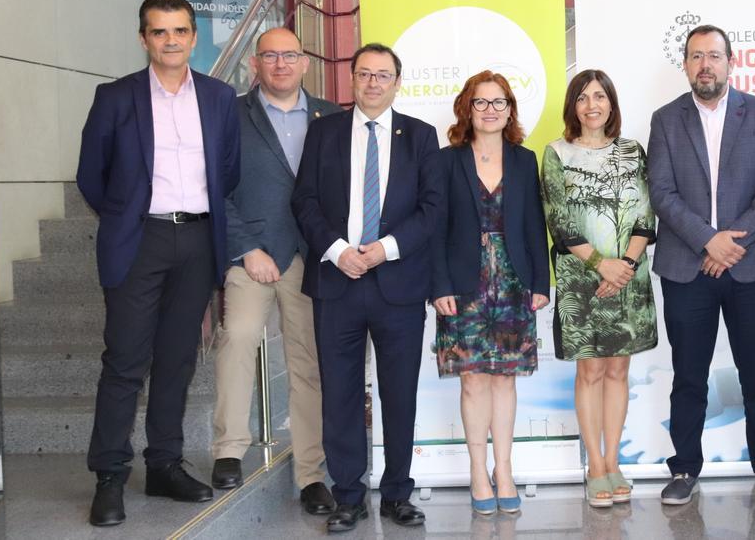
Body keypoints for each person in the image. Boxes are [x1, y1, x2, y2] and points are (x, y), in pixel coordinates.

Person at [77, 0, 241, 527]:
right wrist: (128, 216)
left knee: (177, 359)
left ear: (194, 37)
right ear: (144, 38)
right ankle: (109, 476)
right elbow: (92, 176)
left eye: (179, 31)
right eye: (158, 32)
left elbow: (229, 171)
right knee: (125, 360)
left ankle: (165, 464)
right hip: (139, 239)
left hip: (197, 240)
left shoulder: (219, 98)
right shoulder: (115, 97)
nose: (170, 40)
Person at [291, 42, 441, 532]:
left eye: (383, 75)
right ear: (351, 80)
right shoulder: (323, 132)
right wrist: (338, 251)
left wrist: (385, 249)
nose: (373, 83)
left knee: (399, 395)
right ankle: (348, 496)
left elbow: (433, 210)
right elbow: (305, 202)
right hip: (338, 282)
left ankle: (398, 492)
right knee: (340, 394)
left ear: (398, 82)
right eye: (364, 74)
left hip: (397, 283)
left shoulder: (421, 136)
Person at [647, 24, 755, 505]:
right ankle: (684, 468)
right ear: (685, 65)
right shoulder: (666, 119)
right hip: (687, 267)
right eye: (696, 56)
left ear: (731, 62)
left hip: (751, 267)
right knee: (689, 373)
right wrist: (709, 242)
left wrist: (731, 244)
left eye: (714, 55)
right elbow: (662, 193)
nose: (705, 64)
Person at [209, 27, 340, 516]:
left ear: (305, 62)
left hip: (313, 257)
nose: (281, 64)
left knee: (308, 363)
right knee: (238, 336)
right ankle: (228, 450)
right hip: (253, 255)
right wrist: (245, 247)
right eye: (270, 56)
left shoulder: (331, 115)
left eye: (290, 55)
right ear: (255, 65)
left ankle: (310, 474)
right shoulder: (230, 115)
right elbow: (214, 187)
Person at [430, 70, 550, 515]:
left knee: (505, 378)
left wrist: (542, 282)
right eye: (481, 102)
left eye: (499, 102)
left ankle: (504, 469)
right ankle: (478, 472)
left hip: (515, 282)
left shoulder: (524, 159)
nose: (490, 110)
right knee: (473, 379)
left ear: (510, 109)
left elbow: (535, 226)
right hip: (463, 284)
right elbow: (435, 229)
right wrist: (438, 285)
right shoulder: (446, 161)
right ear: (467, 107)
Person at [540, 69, 657, 508]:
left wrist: (624, 265)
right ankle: (594, 465)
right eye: (584, 97)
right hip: (581, 280)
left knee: (618, 371)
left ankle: (614, 460)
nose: (593, 105)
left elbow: (647, 215)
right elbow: (560, 221)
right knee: (589, 371)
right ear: (573, 105)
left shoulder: (633, 151)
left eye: (600, 96)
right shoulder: (556, 153)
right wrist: (600, 265)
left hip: (630, 277)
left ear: (612, 103)